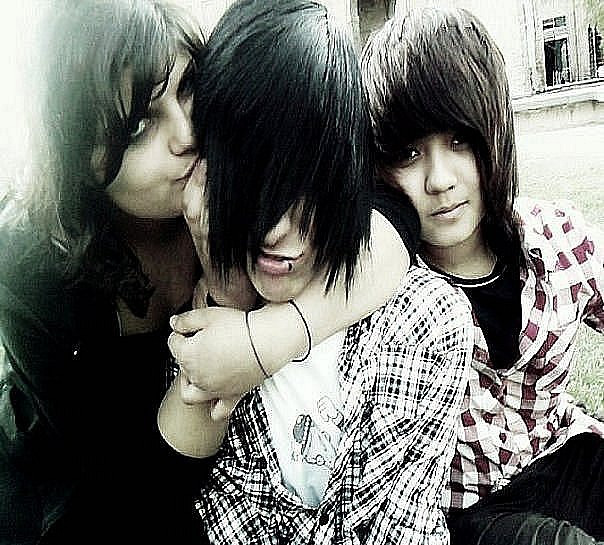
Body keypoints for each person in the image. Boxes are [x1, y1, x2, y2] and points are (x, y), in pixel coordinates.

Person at [0, 0, 413, 542]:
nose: (187, 134)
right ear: (76, 152)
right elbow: (128, 490)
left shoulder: (236, 178)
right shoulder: (31, 267)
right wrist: (225, 308)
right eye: (140, 124)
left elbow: (390, 216)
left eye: (189, 88)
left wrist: (272, 336)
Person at [158, 1, 474, 543]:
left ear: (350, 177)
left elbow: (384, 529)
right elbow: (201, 497)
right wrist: (225, 285)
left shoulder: (424, 321)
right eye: (250, 180)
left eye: (303, 186)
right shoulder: (214, 308)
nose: (275, 227)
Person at [361, 7, 604, 545]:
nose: (439, 179)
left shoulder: (557, 238)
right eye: (409, 154)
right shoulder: (383, 296)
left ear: (495, 131)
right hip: (474, 510)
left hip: (564, 454)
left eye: (459, 141)